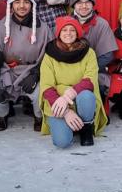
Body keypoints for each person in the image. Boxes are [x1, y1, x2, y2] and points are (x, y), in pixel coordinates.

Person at [0, 0, 52, 131]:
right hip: (8, 71)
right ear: (12, 5)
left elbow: (50, 56)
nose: (22, 6)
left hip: (32, 71)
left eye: (26, 2)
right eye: (17, 2)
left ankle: (39, 116)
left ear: (31, 5)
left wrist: (36, 75)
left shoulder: (43, 28)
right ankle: (2, 115)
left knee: (41, 91)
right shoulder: (1, 27)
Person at [38, 16, 108, 148]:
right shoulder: (50, 55)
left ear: (77, 33)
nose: (68, 33)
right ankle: (71, 123)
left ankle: (86, 128)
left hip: (78, 98)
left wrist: (68, 95)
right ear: (59, 33)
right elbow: (47, 86)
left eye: (72, 30)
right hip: (58, 103)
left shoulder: (88, 53)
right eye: (64, 30)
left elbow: (89, 80)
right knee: (62, 142)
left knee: (86, 95)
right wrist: (66, 111)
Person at [69, 0, 118, 99]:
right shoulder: (66, 23)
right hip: (69, 70)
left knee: (98, 87)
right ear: (74, 5)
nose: (84, 6)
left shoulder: (102, 24)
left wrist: (86, 69)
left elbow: (108, 55)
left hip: (95, 70)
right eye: (79, 3)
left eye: (87, 2)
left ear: (92, 4)